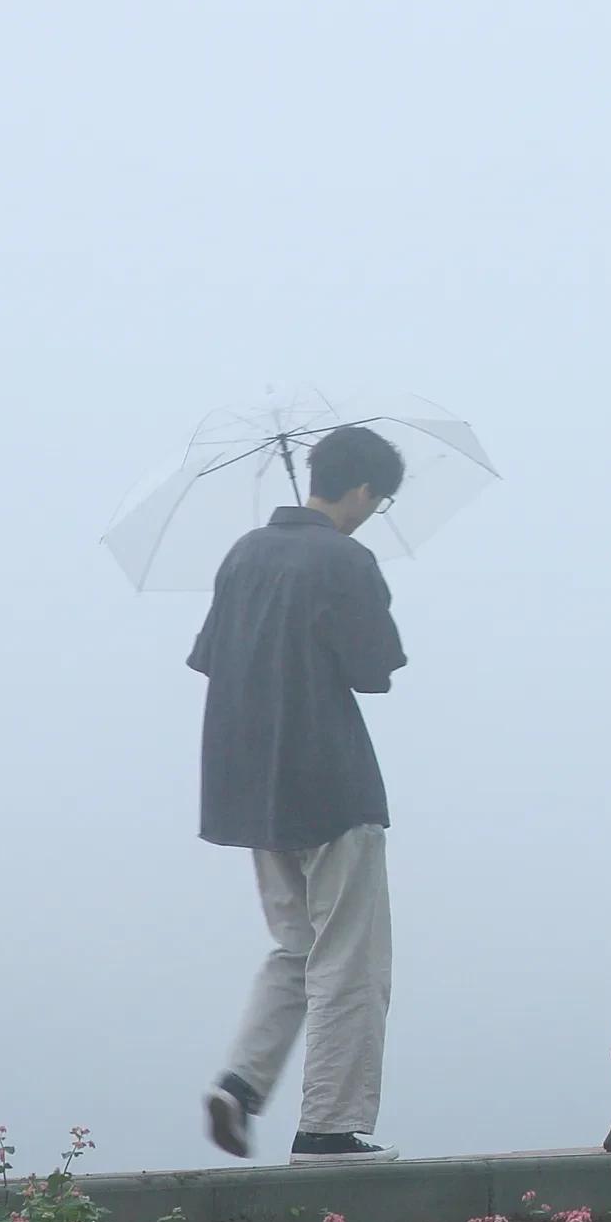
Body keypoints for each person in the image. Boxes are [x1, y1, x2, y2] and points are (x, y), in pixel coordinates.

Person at [189, 423, 411, 1164]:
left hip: (252, 790)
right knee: (352, 960)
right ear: (360, 489)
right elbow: (375, 668)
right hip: (333, 786)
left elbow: (210, 656)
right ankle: (330, 1126)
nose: (370, 514)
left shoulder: (243, 555)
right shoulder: (344, 559)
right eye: (375, 502)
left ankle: (241, 1084)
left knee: (295, 948)